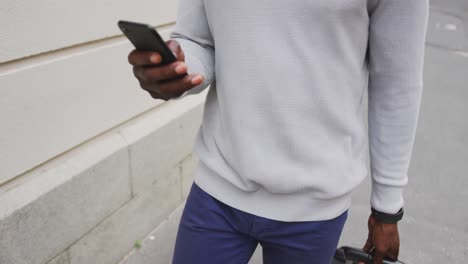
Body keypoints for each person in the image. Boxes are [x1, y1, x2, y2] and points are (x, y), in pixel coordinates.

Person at [127, 0, 429, 263]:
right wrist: (178, 69)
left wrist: (387, 207)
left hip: (314, 209)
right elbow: (199, 41)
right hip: (218, 188)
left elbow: (396, 83)